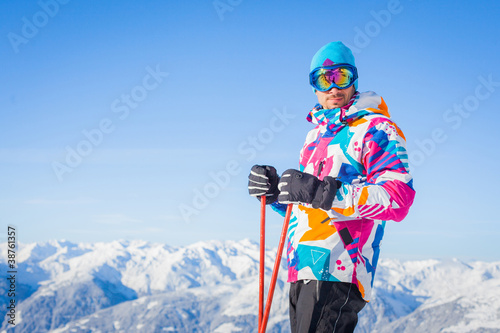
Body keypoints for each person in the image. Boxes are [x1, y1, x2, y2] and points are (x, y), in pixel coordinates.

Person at [248, 41, 415, 333]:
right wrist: (277, 194)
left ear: (355, 80)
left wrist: (318, 191)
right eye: (324, 79)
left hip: (340, 266)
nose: (333, 87)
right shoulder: (314, 135)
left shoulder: (377, 130)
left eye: (342, 76)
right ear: (314, 86)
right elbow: (311, 207)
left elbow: (397, 200)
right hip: (301, 265)